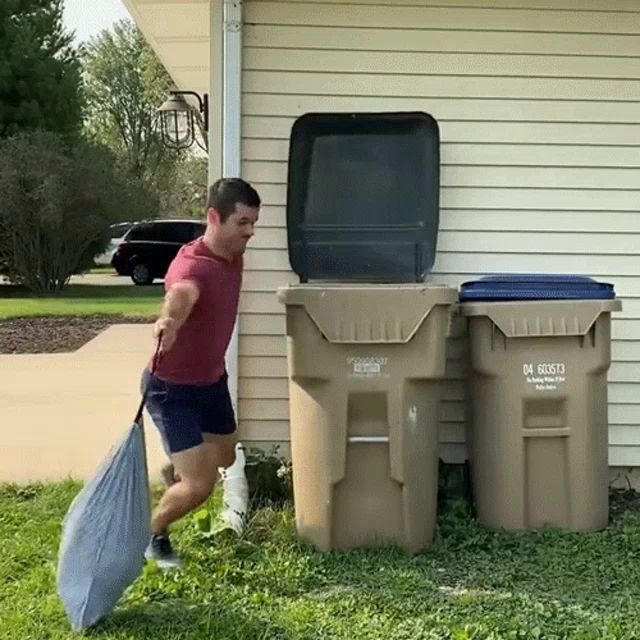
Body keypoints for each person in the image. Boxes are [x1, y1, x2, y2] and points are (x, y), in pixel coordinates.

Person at [141, 178, 260, 569]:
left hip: (211, 382)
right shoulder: (193, 264)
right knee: (200, 485)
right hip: (171, 390)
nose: (250, 232)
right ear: (214, 217)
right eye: (242, 222)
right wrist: (169, 323)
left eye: (253, 222)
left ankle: (175, 465)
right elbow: (181, 294)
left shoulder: (233, 255)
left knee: (226, 456)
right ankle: (153, 534)